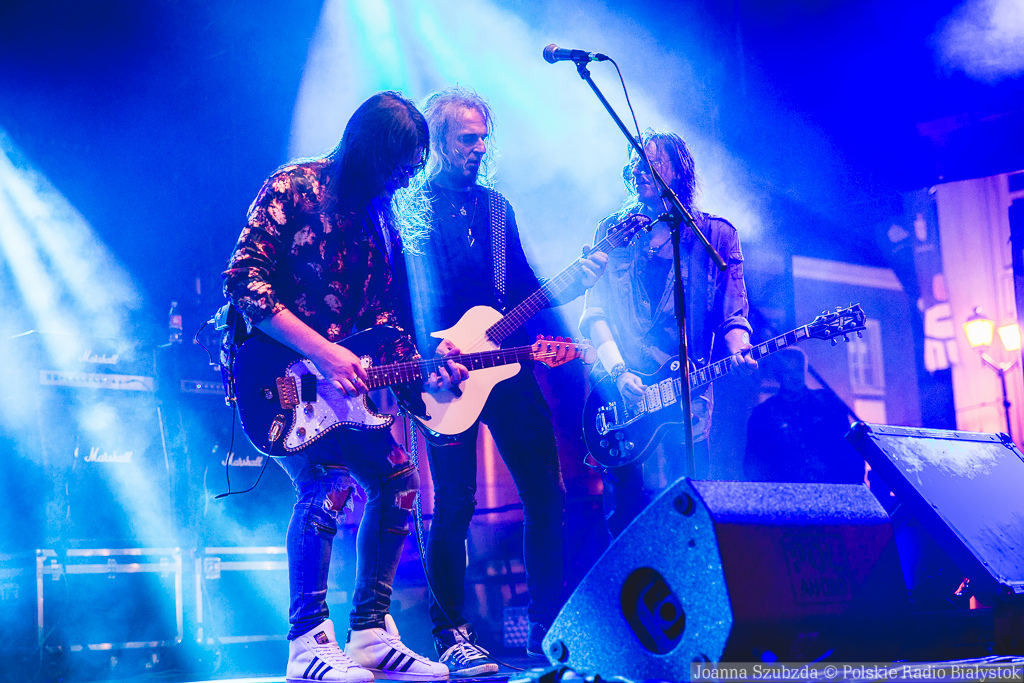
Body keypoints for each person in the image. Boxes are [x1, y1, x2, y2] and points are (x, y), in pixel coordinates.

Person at [223, 91, 464, 683]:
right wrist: (323, 351)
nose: (404, 178)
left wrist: (429, 370)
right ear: (368, 150)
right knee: (326, 484)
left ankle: (371, 634)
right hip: (278, 377)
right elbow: (245, 282)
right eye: (398, 164)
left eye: (411, 167)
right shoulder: (293, 187)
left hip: (340, 393)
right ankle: (306, 642)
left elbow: (383, 326)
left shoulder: (381, 219)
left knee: (398, 480)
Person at [400, 86, 607, 674]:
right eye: (469, 138)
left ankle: (549, 629)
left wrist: (575, 282)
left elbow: (523, 289)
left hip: (508, 368)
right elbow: (403, 294)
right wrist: (427, 353)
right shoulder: (412, 206)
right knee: (455, 504)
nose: (480, 148)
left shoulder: (497, 209)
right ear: (440, 140)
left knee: (547, 494)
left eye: (484, 138)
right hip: (442, 369)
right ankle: (451, 632)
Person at [579, 130, 756, 539]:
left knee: (689, 497)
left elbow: (733, 313)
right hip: (622, 387)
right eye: (633, 163)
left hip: (688, 387)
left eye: (650, 162)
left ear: (678, 170)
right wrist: (619, 371)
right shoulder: (613, 231)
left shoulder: (716, 235)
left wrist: (740, 349)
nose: (637, 170)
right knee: (625, 509)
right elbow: (595, 311)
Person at [744, 347, 865, 484]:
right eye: (788, 372)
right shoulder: (764, 414)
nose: (795, 377)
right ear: (778, 375)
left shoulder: (828, 403)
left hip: (831, 487)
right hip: (785, 491)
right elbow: (753, 464)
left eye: (799, 370)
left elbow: (849, 448)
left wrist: (854, 485)